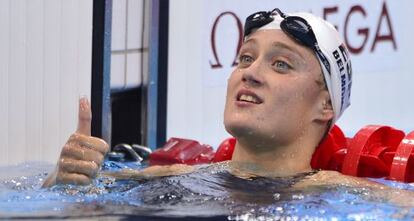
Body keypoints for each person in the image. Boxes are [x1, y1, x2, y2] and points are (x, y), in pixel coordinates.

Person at [41, 8, 388, 193]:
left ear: (326, 105)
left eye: (281, 64)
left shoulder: (345, 194)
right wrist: (63, 180)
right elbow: (74, 199)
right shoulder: (168, 176)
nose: (249, 73)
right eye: (244, 58)